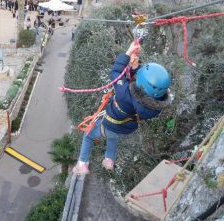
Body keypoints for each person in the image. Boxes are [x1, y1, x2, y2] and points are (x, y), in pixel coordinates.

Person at [72, 42, 172, 175]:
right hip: (126, 129)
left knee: (88, 136)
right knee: (112, 137)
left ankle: (82, 164)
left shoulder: (124, 92)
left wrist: (128, 52)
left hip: (110, 124)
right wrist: (135, 67)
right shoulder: (154, 106)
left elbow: (115, 72)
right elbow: (141, 89)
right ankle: (109, 160)